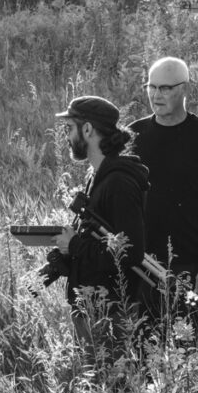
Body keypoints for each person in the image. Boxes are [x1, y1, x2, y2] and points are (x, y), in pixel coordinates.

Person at [130, 56, 198, 345]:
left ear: (185, 88)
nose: (156, 95)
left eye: (165, 88)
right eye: (151, 87)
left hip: (191, 265)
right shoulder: (134, 135)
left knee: (191, 350)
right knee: (144, 350)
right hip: (143, 265)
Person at [50, 95, 149, 368]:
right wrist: (68, 255)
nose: (67, 137)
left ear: (87, 129)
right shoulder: (97, 175)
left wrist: (75, 246)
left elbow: (130, 251)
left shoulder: (119, 183)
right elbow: (101, 240)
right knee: (96, 385)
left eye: (69, 128)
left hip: (111, 313)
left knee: (112, 387)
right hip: (93, 309)